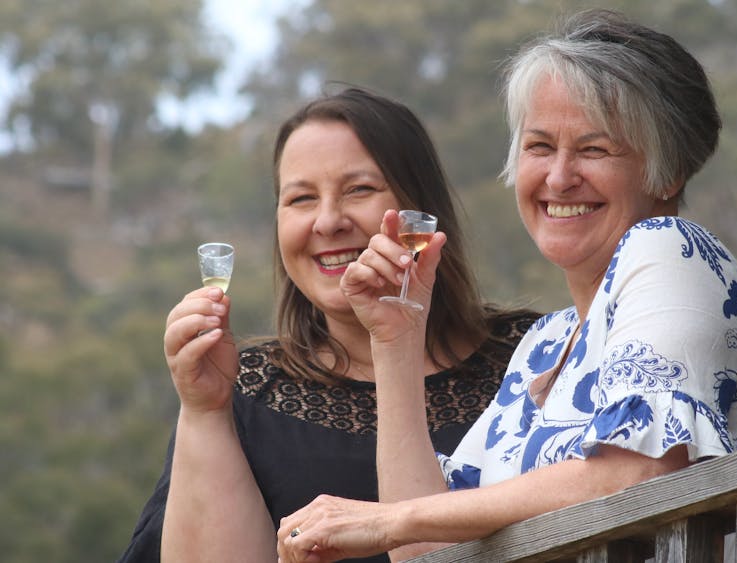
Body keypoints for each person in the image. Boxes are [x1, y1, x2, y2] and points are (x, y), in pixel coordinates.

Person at [276, 9, 737, 562]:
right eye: (540, 147)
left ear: (665, 174)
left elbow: (636, 470)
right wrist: (396, 342)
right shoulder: (542, 346)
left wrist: (386, 522)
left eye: (594, 150)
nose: (558, 177)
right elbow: (423, 551)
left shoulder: (672, 247)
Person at [115, 87, 539, 563]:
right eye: (300, 198)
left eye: (359, 190)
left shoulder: (535, 356)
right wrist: (204, 411)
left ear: (421, 207)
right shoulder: (246, 390)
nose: (328, 221)